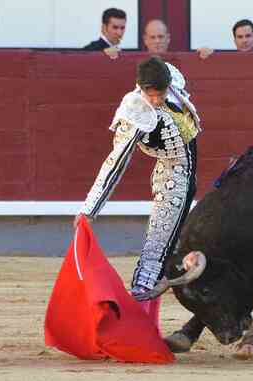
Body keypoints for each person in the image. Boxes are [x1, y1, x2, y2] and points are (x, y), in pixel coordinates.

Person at [74, 56, 202, 330]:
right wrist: (90, 209)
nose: (155, 100)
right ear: (140, 88)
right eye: (150, 94)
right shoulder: (135, 113)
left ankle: (148, 324)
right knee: (156, 251)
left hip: (186, 176)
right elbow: (115, 163)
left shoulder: (172, 79)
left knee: (165, 251)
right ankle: (133, 328)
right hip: (173, 179)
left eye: (160, 93)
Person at [143, 19, 213, 59]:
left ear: (168, 38)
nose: (157, 41)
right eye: (152, 37)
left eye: (160, 37)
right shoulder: (138, 63)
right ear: (145, 40)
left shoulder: (180, 61)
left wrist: (206, 53)